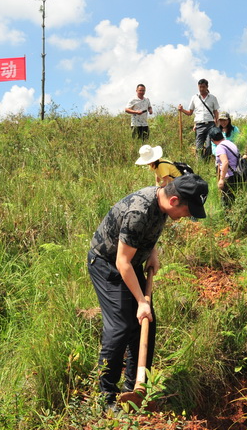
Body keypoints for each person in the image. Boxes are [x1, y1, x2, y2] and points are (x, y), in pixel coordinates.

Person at [88, 174, 208, 410]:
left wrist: (151, 252)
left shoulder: (162, 203)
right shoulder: (139, 211)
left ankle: (135, 389)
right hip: (108, 265)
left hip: (129, 263)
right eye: (187, 210)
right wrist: (141, 301)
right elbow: (122, 262)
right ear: (174, 200)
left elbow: (146, 234)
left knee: (146, 323)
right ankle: (106, 398)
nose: (187, 216)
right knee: (121, 326)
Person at [178, 78, 219, 161]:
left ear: (207, 87)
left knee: (208, 146)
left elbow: (216, 112)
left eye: (203, 87)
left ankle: (207, 162)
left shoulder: (213, 98)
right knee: (198, 147)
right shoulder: (194, 98)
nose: (201, 89)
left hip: (210, 125)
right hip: (199, 125)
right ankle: (199, 164)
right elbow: (190, 112)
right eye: (200, 87)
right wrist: (182, 110)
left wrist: (216, 122)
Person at [211, 127, 240, 209]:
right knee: (234, 200)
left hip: (229, 177)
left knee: (227, 202)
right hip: (236, 174)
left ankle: (229, 219)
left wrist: (221, 179)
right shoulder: (230, 143)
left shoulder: (220, 147)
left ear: (212, 140)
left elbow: (225, 162)